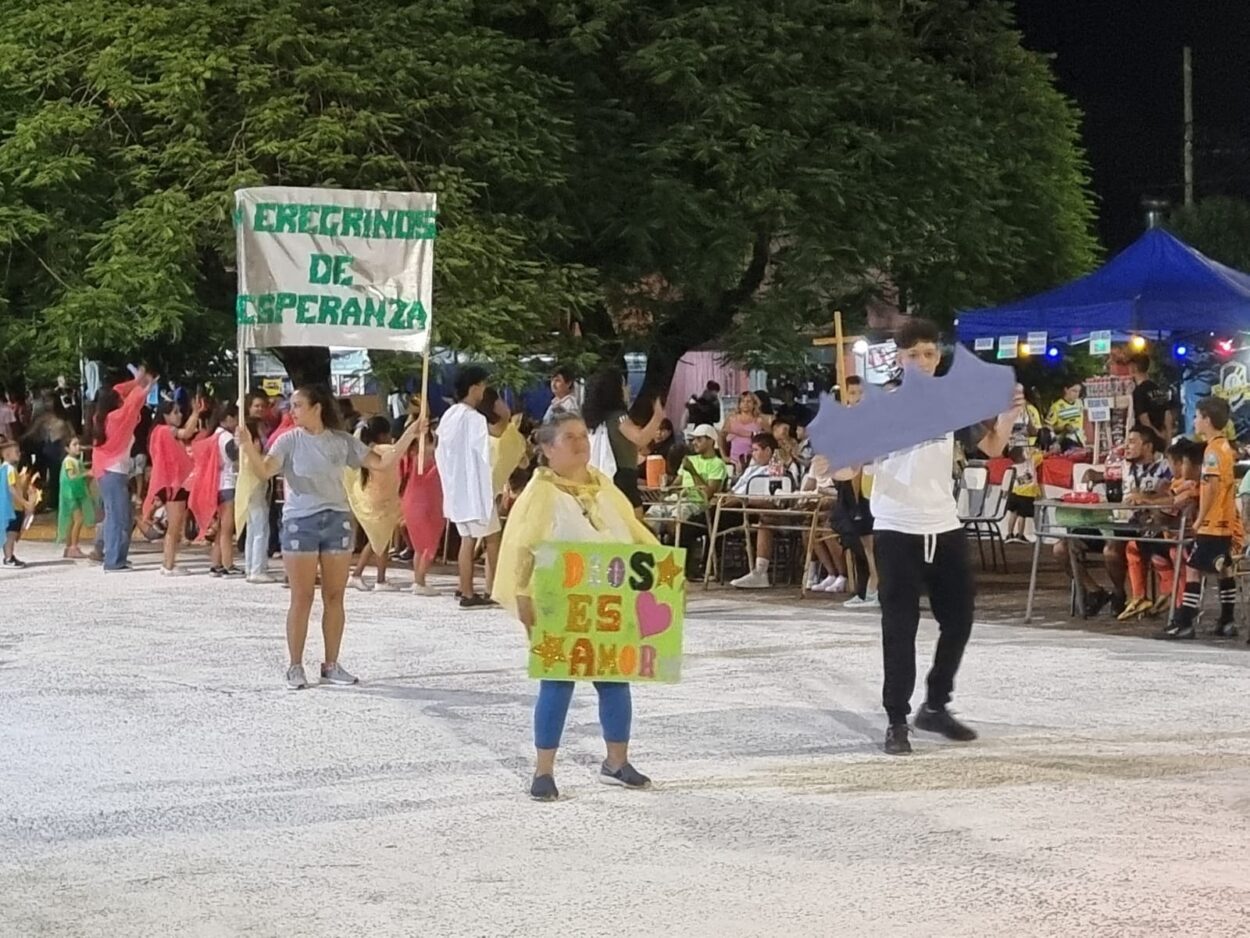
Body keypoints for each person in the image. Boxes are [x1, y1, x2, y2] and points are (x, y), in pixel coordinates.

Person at [862, 318, 1019, 755]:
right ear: (899, 359)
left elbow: (991, 449)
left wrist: (1007, 417)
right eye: (913, 355)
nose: (922, 362)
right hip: (896, 527)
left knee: (960, 619)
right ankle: (897, 718)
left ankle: (935, 704)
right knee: (900, 626)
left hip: (943, 524)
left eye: (929, 354)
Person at [492, 413, 659, 801]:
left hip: (609, 599)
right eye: (570, 437)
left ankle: (617, 761)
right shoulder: (539, 493)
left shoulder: (604, 486)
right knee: (557, 683)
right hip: (560, 602)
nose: (580, 442)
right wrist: (523, 600)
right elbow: (522, 550)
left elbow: (635, 534)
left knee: (614, 679)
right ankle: (544, 769)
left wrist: (662, 577)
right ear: (548, 448)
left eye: (583, 435)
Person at [237, 384, 422, 689]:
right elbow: (265, 471)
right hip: (300, 522)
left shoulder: (341, 441)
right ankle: (295, 666)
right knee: (302, 597)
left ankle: (331, 664)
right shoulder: (288, 441)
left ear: (316, 407)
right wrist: (247, 447)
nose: (291, 411)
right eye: (291, 406)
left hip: (337, 520)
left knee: (335, 596)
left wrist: (410, 434)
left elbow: (380, 462)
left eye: (297, 405)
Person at [1165, 397, 1240, 640]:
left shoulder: (1212, 451)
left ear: (1207, 419)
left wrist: (1200, 520)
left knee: (1193, 569)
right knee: (1225, 568)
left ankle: (1185, 622)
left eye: (1197, 417)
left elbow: (1213, 488)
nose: (1195, 421)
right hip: (1225, 521)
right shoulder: (1226, 448)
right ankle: (1227, 620)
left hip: (1213, 523)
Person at [436, 366, 508, 608]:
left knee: (467, 538)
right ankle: (471, 591)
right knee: (482, 539)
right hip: (474, 490)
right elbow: (493, 436)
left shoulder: (449, 416)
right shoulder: (473, 418)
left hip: (456, 489)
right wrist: (505, 416)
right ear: (475, 387)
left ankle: (465, 587)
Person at [91, 372, 154, 571]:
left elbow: (120, 391)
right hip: (113, 472)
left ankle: (116, 556)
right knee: (117, 517)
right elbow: (133, 403)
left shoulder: (103, 416)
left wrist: (137, 381)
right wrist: (144, 386)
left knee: (120, 515)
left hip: (109, 471)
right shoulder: (117, 418)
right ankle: (113, 560)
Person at [582, 368, 665, 514]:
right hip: (623, 477)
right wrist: (657, 417)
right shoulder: (619, 417)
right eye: (624, 385)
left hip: (601, 477)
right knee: (635, 528)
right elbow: (640, 438)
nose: (627, 389)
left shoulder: (594, 422)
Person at [727, 432, 799, 589]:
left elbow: (774, 500)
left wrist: (742, 500)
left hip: (751, 510)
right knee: (706, 514)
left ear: (768, 451)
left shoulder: (778, 471)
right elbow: (734, 491)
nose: (753, 454)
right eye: (752, 450)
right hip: (735, 506)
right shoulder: (750, 470)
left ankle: (760, 572)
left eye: (756, 450)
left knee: (764, 518)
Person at [347, 416, 404, 592]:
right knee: (377, 539)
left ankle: (377, 577)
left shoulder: (365, 449)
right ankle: (362, 575)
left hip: (371, 496)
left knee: (379, 539)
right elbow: (399, 451)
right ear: (383, 435)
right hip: (380, 499)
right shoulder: (384, 449)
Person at [145, 401, 200, 576]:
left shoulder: (158, 432)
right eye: (175, 412)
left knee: (175, 526)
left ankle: (169, 562)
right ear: (165, 415)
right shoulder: (164, 430)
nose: (179, 415)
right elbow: (187, 433)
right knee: (174, 527)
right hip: (173, 484)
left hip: (174, 483)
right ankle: (168, 564)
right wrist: (196, 413)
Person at [189, 404, 241, 577]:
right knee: (227, 529)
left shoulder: (214, 435)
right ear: (228, 419)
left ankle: (216, 563)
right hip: (227, 484)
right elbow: (234, 457)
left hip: (215, 485)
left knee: (220, 528)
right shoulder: (226, 437)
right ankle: (228, 564)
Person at [401, 417, 445, 596]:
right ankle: (420, 581)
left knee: (419, 545)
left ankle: (418, 580)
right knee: (430, 544)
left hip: (410, 499)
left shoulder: (409, 454)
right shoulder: (431, 453)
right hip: (427, 501)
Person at [236, 416, 275, 584]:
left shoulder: (244, 446)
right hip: (256, 488)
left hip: (247, 488)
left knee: (253, 529)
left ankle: (250, 565)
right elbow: (259, 465)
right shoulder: (254, 445)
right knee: (260, 530)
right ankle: (257, 569)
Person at [56, 436, 95, 559]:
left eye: (79, 444)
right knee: (79, 519)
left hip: (73, 495)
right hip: (70, 495)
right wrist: (87, 473)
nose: (78, 447)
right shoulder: (69, 461)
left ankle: (69, 547)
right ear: (67, 448)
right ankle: (73, 547)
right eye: (74, 444)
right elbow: (71, 476)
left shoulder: (75, 461)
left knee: (72, 521)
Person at [2, 437, 33, 568]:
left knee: (10, 534)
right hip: (13, 507)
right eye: (16, 452)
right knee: (11, 534)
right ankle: (8, 558)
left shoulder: (4, 469)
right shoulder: (9, 469)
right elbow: (11, 488)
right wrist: (24, 502)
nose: (19, 454)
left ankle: (9, 555)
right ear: (7, 454)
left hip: (10, 506)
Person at [1002, 445, 1042, 545]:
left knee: (1013, 514)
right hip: (1027, 494)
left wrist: (1005, 491)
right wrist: (1034, 451)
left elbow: (1006, 480)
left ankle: (1009, 534)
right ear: (1021, 456)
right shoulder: (1030, 462)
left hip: (1014, 492)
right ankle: (1020, 535)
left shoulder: (1012, 468)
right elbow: (1040, 455)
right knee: (1022, 515)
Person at [1128, 353, 1172, 440]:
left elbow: (1144, 419)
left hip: (1147, 438)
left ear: (1134, 368)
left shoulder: (1138, 392)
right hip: (1162, 432)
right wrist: (1168, 436)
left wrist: (1157, 435)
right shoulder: (1157, 388)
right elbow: (1167, 414)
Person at [721, 391, 765, 469]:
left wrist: (744, 433)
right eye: (743, 401)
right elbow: (721, 437)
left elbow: (767, 438)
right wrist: (724, 456)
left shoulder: (759, 420)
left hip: (754, 462)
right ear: (739, 404)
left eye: (749, 401)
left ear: (754, 404)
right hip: (734, 461)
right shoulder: (731, 419)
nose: (745, 404)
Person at [1045, 382, 1085, 451]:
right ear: (1066, 390)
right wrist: (1063, 427)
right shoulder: (1056, 406)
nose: (1076, 394)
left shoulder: (1080, 403)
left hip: (1080, 439)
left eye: (1078, 391)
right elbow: (1048, 427)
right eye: (1074, 391)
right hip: (1065, 441)